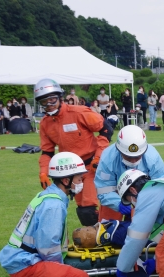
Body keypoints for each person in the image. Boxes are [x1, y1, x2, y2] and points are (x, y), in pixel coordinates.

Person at [0, 152, 90, 277]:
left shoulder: (49, 195)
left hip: (19, 258)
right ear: (66, 180)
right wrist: (59, 270)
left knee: (68, 268)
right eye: (79, 179)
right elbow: (48, 246)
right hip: (25, 264)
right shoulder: (54, 205)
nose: (81, 182)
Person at [35, 78, 113, 227]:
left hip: (92, 166)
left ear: (60, 97)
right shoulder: (45, 124)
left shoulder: (79, 112)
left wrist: (99, 156)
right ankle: (94, 238)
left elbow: (106, 128)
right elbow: (47, 152)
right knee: (83, 210)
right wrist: (43, 173)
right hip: (72, 171)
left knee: (89, 209)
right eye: (44, 102)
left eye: (52, 100)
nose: (49, 105)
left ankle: (105, 237)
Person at [95, 124, 164, 221]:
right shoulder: (108, 159)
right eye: (128, 157)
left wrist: (142, 203)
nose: (133, 161)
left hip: (143, 198)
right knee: (107, 231)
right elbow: (104, 190)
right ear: (119, 151)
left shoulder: (153, 158)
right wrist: (118, 204)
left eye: (137, 157)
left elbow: (159, 188)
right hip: (114, 196)